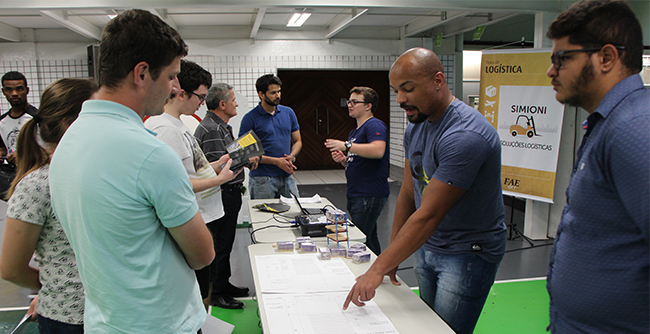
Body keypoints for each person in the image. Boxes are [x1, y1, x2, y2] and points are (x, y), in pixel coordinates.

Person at [48, 10, 215, 334]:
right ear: (141, 73)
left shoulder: (68, 143)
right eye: (170, 76)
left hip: (105, 321)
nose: (174, 88)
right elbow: (202, 254)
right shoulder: (151, 154)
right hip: (161, 324)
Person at [343, 47, 507, 334]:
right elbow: (409, 192)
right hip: (429, 246)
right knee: (426, 326)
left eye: (408, 89)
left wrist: (378, 268)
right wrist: (391, 260)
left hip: (467, 253)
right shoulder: (415, 126)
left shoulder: (465, 135)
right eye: (396, 91)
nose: (400, 99)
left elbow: (429, 213)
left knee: (444, 330)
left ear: (438, 81)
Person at [545, 1, 649, 333]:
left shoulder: (634, 128)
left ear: (606, 57)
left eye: (563, 59)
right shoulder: (608, 123)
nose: (552, 71)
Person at [0, 78, 97, 334]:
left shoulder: (103, 174)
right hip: (71, 316)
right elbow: (11, 267)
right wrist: (55, 285)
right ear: (70, 124)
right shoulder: (39, 184)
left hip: (113, 311)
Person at [144, 60, 238, 310]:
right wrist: (219, 179)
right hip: (197, 217)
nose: (202, 102)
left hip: (207, 213)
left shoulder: (179, 125)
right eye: (200, 96)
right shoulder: (165, 128)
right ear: (180, 92)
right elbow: (177, 183)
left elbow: (193, 170)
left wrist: (219, 164)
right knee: (200, 280)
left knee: (208, 275)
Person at [195, 83, 258, 309]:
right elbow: (216, 168)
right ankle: (218, 292)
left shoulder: (220, 126)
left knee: (226, 243)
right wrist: (244, 160)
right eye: (233, 101)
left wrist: (245, 158)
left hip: (227, 193)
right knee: (221, 245)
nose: (236, 104)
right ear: (222, 104)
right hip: (221, 193)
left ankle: (224, 283)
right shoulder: (212, 129)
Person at [324, 87, 389, 255]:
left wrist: (346, 145)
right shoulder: (355, 132)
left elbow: (378, 150)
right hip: (357, 192)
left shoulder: (374, 125)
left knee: (358, 237)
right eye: (349, 101)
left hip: (369, 193)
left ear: (368, 106)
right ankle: (379, 270)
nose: (350, 105)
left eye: (355, 102)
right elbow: (361, 160)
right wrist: (345, 160)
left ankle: (370, 271)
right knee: (369, 237)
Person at [239, 74, 302, 199]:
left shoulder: (288, 113)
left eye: (279, 91)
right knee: (263, 217)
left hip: (287, 175)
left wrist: (292, 156)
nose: (278, 95)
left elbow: (298, 141)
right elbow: (246, 152)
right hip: (262, 179)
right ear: (261, 94)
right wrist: (276, 161)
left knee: (295, 213)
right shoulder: (250, 118)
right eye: (273, 92)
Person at [0, 71, 37, 164]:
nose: (14, 93)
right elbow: (3, 148)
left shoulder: (39, 118)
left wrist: (24, 154)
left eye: (19, 89)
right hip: (12, 174)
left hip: (36, 172)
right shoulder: (1, 122)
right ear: (3, 92)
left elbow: (51, 147)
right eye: (9, 89)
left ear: (27, 90)